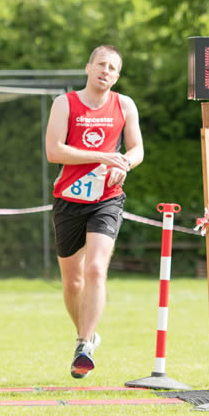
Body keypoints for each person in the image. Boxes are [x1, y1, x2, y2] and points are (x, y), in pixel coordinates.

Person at [45, 45, 143, 378]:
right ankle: (85, 334)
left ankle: (84, 344)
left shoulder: (124, 105)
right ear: (88, 67)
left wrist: (124, 164)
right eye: (101, 64)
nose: (106, 71)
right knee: (72, 283)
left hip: (107, 198)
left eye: (113, 68)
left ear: (117, 75)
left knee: (96, 269)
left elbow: (136, 148)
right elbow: (54, 151)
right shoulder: (65, 104)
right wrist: (101, 157)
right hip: (69, 199)